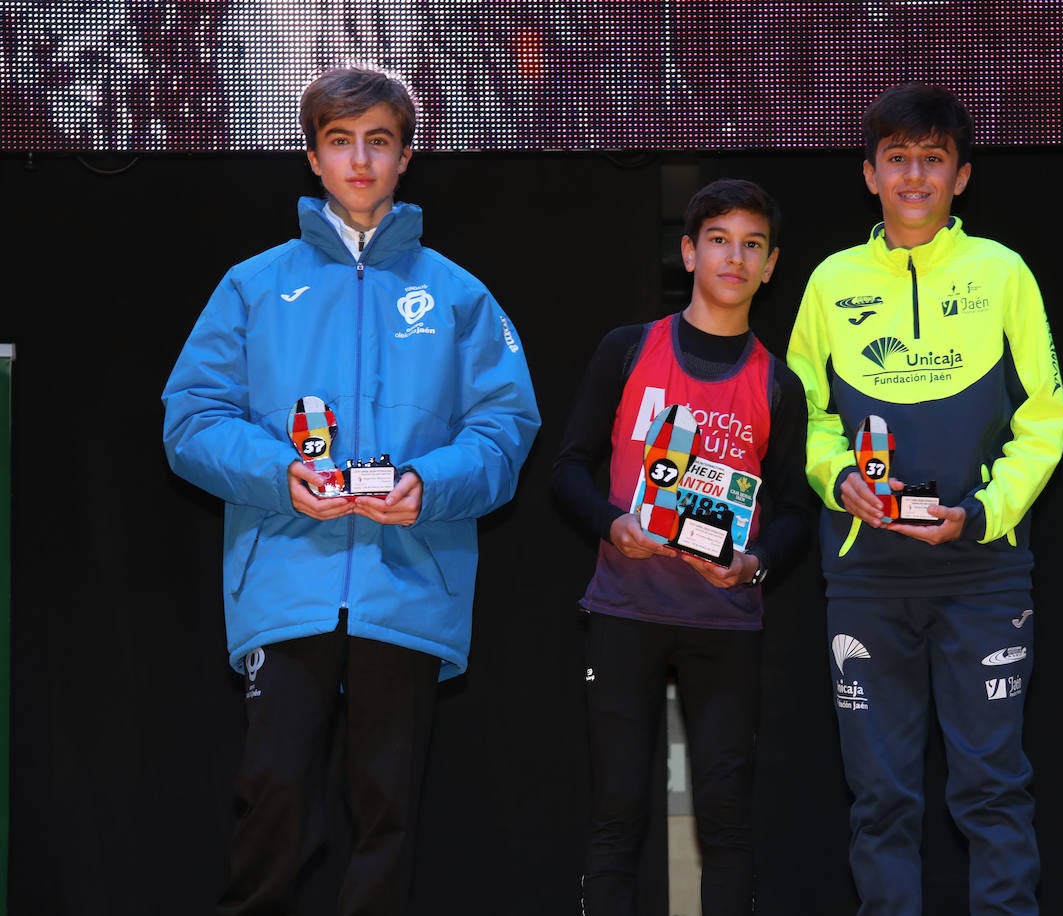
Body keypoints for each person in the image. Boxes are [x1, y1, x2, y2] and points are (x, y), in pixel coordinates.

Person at [161, 65, 540, 915]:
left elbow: (506, 430)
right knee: (274, 799)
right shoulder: (254, 285)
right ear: (312, 156)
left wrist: (427, 485)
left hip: (407, 583)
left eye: (379, 142)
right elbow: (189, 421)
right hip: (287, 581)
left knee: (387, 813)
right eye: (341, 142)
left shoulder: (458, 294)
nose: (360, 160)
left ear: (407, 156)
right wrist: (278, 473)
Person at [785, 82, 1063, 915]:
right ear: (869, 174)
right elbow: (804, 418)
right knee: (880, 803)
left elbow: (1047, 418)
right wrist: (837, 479)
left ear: (962, 176)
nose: (915, 176)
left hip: (983, 577)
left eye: (933, 160)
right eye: (898, 159)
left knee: (992, 794)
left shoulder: (1002, 273)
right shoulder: (831, 282)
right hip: (867, 582)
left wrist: (982, 513)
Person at [551, 177, 813, 916]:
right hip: (626, 609)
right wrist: (612, 526)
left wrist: (755, 562)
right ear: (689, 250)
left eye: (753, 245)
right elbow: (567, 470)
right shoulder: (628, 350)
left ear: (771, 265)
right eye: (720, 240)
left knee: (727, 819)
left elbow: (794, 511)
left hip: (725, 624)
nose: (736, 257)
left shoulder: (780, 386)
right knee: (617, 812)